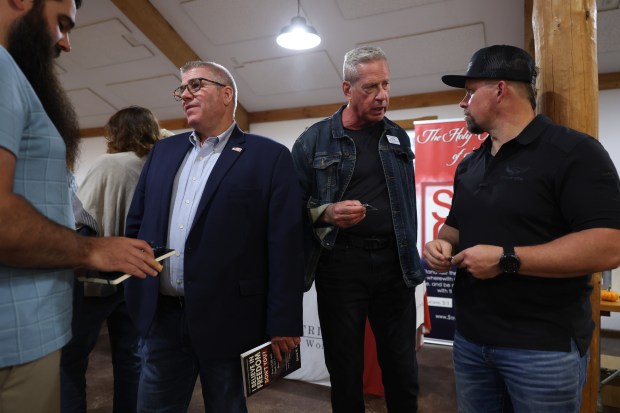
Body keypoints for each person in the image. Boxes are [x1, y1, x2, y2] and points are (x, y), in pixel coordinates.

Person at [423, 44, 620, 412]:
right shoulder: (469, 165)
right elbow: (454, 226)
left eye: (469, 92)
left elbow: (609, 246)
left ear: (500, 90)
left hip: (542, 348)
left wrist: (507, 259)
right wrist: (441, 244)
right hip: (470, 342)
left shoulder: (574, 152)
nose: (462, 103)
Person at [0, 1, 163, 412]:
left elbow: (79, 213)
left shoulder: (13, 77)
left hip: (47, 317)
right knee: (128, 358)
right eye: (62, 24)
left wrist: (90, 247)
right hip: (18, 336)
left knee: (80, 362)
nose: (67, 43)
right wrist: (90, 249)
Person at [124, 60, 305, 413]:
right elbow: (137, 224)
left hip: (230, 320)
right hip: (162, 319)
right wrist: (135, 293)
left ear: (227, 95)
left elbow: (285, 244)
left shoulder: (269, 157)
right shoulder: (163, 152)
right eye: (181, 89)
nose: (184, 95)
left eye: (196, 86)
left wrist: (283, 320)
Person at [291, 46, 424, 413]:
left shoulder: (398, 138)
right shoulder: (313, 141)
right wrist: (327, 213)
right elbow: (289, 209)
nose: (381, 95)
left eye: (386, 84)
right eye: (369, 87)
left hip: (393, 262)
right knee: (345, 368)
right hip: (340, 265)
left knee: (401, 368)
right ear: (347, 89)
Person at [61, 106, 163, 413]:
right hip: (136, 275)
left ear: (114, 134)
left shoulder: (108, 163)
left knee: (71, 360)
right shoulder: (157, 164)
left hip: (97, 279)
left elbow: (81, 219)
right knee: (130, 357)